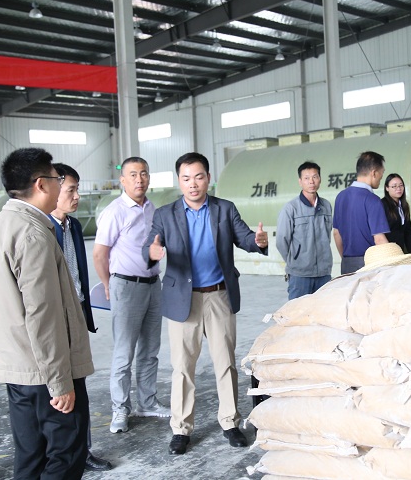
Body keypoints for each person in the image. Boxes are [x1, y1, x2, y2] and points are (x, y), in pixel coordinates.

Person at [0, 148, 94, 480]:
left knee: (31, 456)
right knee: (66, 455)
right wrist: (60, 382)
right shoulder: (33, 235)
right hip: (45, 371)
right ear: (41, 184)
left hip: (18, 369)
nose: (61, 186)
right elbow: (43, 316)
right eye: (58, 179)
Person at [143, 152, 268, 456]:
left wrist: (258, 241)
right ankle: (181, 429)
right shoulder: (165, 214)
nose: (193, 183)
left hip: (219, 296)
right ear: (179, 181)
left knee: (225, 363)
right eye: (186, 178)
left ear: (208, 178)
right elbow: (150, 245)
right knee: (182, 367)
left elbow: (245, 237)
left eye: (199, 177)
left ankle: (230, 422)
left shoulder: (224, 209)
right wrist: (152, 253)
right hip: (182, 300)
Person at [93, 157, 170, 436]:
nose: (140, 179)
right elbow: (99, 254)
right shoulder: (114, 212)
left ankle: (147, 402)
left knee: (150, 349)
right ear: (123, 180)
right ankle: (120, 408)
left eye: (144, 174)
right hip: (125, 286)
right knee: (124, 352)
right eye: (133, 175)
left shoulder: (152, 209)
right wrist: (108, 285)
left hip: (152, 285)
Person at [49, 163, 112, 473]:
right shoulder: (41, 228)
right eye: (71, 190)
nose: (77, 196)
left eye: (77, 189)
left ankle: (82, 451)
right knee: (59, 391)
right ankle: (61, 455)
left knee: (80, 388)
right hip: (53, 320)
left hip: (77, 314)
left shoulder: (72, 225)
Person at [276, 161, 333, 299]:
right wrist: (295, 261)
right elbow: (281, 241)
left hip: (323, 273)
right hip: (300, 275)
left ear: (320, 179)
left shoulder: (326, 206)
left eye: (315, 177)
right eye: (306, 178)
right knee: (298, 311)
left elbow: (328, 235)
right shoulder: (291, 208)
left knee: (322, 310)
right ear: (300, 182)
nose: (311, 181)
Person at [332, 151, 390, 274]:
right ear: (374, 173)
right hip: (370, 264)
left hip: (347, 264)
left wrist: (346, 259)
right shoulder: (373, 200)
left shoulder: (340, 197)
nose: (381, 177)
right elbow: (379, 239)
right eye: (382, 173)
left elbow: (336, 233)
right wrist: (394, 263)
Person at [381, 173, 411, 254]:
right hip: (387, 251)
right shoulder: (382, 205)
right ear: (387, 188)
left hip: (400, 250)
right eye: (394, 186)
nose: (398, 188)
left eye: (401, 185)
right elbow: (380, 233)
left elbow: (408, 231)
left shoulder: (404, 205)